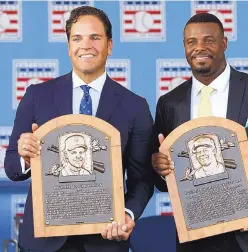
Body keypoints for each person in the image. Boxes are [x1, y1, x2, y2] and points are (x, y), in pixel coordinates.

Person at [151, 13, 248, 252]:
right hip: (198, 240)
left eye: (209, 40)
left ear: (224, 43)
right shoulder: (169, 103)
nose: (199, 48)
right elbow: (164, 178)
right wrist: (159, 168)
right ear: (184, 46)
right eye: (191, 42)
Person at [5, 6, 154, 252]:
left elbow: (142, 179)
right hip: (44, 243)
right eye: (77, 38)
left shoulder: (134, 106)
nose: (86, 45)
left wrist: (127, 214)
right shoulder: (37, 96)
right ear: (68, 46)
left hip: (105, 241)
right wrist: (24, 158)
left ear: (109, 45)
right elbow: (12, 168)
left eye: (95, 37)